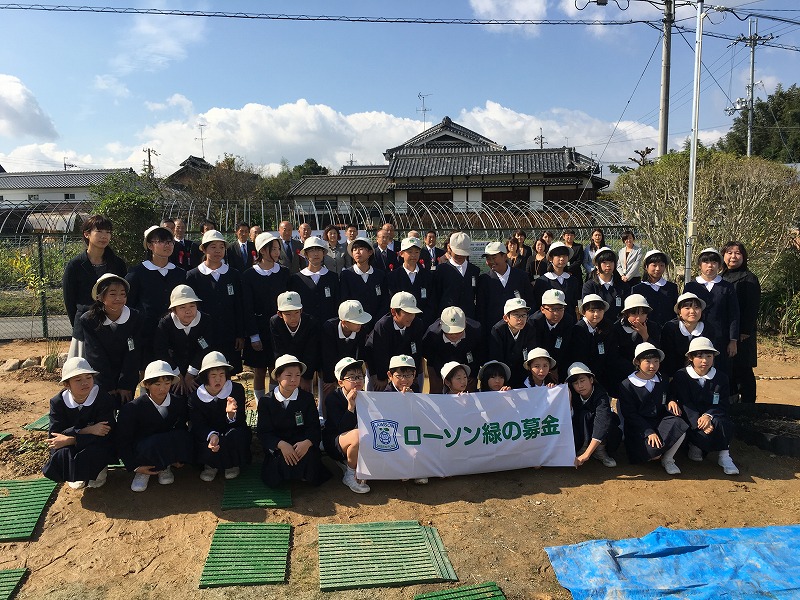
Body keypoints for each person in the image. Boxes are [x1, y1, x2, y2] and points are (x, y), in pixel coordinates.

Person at [116, 360, 193, 492]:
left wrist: (178, 456)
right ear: (146, 384)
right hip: (143, 451)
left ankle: (165, 465)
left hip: (166, 447)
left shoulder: (179, 403)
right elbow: (123, 439)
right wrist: (134, 466)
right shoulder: (132, 409)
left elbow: (181, 428)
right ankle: (143, 471)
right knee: (150, 442)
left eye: (167, 383)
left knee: (180, 435)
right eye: (157, 384)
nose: (163, 388)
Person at [257, 354, 330, 488]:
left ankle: (303, 475)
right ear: (278, 377)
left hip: (301, 444)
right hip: (279, 447)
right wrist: (281, 445)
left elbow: (314, 427)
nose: (293, 379)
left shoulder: (307, 399)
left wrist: (307, 443)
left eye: (297, 375)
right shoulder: (266, 401)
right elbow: (263, 432)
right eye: (289, 375)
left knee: (310, 458)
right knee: (280, 461)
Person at [43, 357, 116, 489]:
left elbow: (104, 431)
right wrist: (87, 430)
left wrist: (71, 438)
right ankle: (75, 474)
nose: (85, 383)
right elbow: (55, 435)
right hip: (78, 442)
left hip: (96, 443)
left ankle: (99, 469)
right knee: (61, 450)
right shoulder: (58, 402)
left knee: (99, 446)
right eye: (78, 380)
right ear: (66, 384)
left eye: (88, 378)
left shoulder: (103, 398)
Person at [670, 337, 739, 475]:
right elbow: (685, 402)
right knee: (697, 436)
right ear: (690, 357)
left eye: (709, 356)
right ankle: (694, 445)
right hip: (691, 418)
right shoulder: (681, 376)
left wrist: (708, 416)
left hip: (711, 417)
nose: (705, 361)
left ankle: (724, 457)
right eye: (699, 356)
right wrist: (698, 421)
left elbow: (722, 402)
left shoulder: (721, 378)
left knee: (723, 423)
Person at [617, 343, 688, 476]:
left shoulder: (663, 379)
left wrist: (671, 400)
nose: (652, 366)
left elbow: (670, 393)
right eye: (648, 361)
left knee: (679, 424)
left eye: (656, 361)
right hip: (639, 428)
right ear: (637, 362)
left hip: (659, 421)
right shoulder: (627, 384)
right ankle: (657, 453)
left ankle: (668, 459)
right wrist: (648, 432)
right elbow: (630, 414)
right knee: (652, 454)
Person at [74, 273, 142, 407]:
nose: (119, 298)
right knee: (105, 412)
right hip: (102, 378)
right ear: (100, 297)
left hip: (127, 374)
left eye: (123, 294)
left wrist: (125, 384)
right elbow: (95, 354)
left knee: (126, 411)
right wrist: (108, 386)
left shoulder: (135, 317)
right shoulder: (89, 320)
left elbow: (133, 352)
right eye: (112, 294)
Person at [63, 215, 127, 356]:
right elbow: (69, 299)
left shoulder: (118, 264)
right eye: (99, 231)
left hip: (113, 324)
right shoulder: (75, 265)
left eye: (108, 232)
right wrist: (80, 323)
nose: (104, 236)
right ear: (87, 234)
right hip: (85, 325)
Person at [185, 230, 245, 374]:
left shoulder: (233, 274)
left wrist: (240, 334)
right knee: (203, 373)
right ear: (204, 249)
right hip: (202, 335)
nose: (218, 250)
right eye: (213, 246)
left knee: (226, 373)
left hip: (228, 335)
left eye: (221, 247)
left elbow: (239, 305)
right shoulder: (192, 276)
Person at [126, 225, 185, 367]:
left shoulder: (180, 273)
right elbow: (129, 304)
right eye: (162, 241)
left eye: (170, 242)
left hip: (174, 332)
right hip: (146, 333)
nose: (167, 245)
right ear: (150, 245)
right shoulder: (136, 273)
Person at [241, 232, 291, 400]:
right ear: (262, 251)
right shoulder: (249, 275)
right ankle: (260, 404)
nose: (277, 252)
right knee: (260, 370)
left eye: (278, 248)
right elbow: (246, 307)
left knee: (276, 368)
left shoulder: (284, 272)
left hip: (279, 328)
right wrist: (253, 335)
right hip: (259, 327)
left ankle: (273, 402)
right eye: (273, 249)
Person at [188, 351, 251, 482]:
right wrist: (211, 435)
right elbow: (197, 425)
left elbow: (240, 421)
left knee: (236, 434)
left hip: (229, 430)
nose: (218, 379)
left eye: (222, 374)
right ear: (205, 377)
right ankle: (210, 465)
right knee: (200, 438)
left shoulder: (237, 390)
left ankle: (232, 464)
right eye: (213, 375)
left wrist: (231, 415)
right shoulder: (195, 398)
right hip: (209, 434)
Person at [683, 247, 740, 377]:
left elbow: (734, 315)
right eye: (706, 262)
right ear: (699, 265)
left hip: (721, 337)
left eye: (714, 262)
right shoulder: (691, 286)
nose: (710, 265)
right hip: (696, 335)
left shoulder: (727, 287)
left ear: (719, 265)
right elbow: (684, 312)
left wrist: (733, 340)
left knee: (720, 371)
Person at [153, 284, 217, 398]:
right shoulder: (165, 323)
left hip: (199, 367)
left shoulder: (205, 320)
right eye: (182, 307)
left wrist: (190, 374)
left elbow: (206, 348)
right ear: (174, 310)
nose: (188, 311)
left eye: (192, 306)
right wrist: (177, 374)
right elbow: (161, 350)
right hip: (173, 368)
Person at [323, 357, 370, 493]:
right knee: (356, 435)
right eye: (352, 377)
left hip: (359, 442)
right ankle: (349, 474)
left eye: (360, 376)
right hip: (335, 442)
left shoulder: (367, 397)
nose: (357, 381)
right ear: (341, 382)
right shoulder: (333, 398)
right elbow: (341, 428)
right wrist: (350, 407)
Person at [721, 241, 761, 403]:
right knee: (727, 368)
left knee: (743, 369)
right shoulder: (720, 277)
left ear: (743, 257)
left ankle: (748, 405)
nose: (733, 257)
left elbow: (752, 307)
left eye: (737, 253)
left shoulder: (749, 278)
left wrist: (744, 331)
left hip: (742, 334)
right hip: (724, 332)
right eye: (729, 253)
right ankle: (731, 403)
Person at [364, 292, 425, 391]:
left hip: (404, 368)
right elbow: (380, 354)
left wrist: (414, 375)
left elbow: (416, 352)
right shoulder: (382, 325)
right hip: (379, 368)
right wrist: (381, 377)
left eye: (413, 313)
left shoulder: (417, 324)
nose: (411, 317)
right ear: (393, 312)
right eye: (407, 313)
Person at [566, 362, 621, 468]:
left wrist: (587, 454)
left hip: (600, 431)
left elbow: (602, 422)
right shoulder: (573, 394)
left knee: (610, 425)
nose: (580, 386)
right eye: (575, 383)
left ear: (591, 380)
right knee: (583, 415)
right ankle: (582, 446)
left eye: (582, 381)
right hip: (581, 430)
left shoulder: (601, 396)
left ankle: (599, 450)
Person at [422, 306, 483, 394]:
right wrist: (443, 377)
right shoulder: (432, 334)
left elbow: (478, 354)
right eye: (449, 332)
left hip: (467, 363)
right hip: (439, 363)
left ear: (465, 324)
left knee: (469, 387)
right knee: (437, 390)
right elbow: (429, 356)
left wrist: (472, 374)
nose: (454, 335)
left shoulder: (475, 331)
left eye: (458, 332)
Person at [568, 294, 619, 396]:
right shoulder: (578, 329)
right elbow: (579, 356)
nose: (596, 314)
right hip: (583, 374)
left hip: (602, 373)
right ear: (584, 312)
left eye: (599, 310)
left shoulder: (607, 326)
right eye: (592, 311)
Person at [476, 241, 533, 334]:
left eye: (494, 258)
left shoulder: (521, 277)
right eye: (488, 258)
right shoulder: (484, 279)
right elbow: (481, 309)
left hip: (519, 331)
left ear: (505, 256)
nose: (490, 262)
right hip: (493, 332)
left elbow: (530, 302)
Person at [269, 292, 320, 393]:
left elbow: (311, 352)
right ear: (279, 314)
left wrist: (305, 377)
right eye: (288, 314)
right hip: (285, 362)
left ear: (301, 310)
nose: (293, 317)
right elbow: (278, 350)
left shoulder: (311, 323)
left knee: (305, 391)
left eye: (296, 312)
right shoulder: (275, 322)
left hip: (305, 364)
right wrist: (286, 373)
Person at [321, 300, 372, 398]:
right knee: (328, 391)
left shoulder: (362, 330)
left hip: (351, 370)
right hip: (330, 370)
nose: (360, 325)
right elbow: (327, 356)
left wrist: (355, 377)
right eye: (356, 322)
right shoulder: (329, 328)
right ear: (344, 322)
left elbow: (360, 354)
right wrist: (330, 380)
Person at [339, 236, 390, 333]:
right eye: (354, 249)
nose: (357, 252)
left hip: (377, 324)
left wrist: (378, 321)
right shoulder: (346, 275)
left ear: (370, 252)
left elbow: (384, 301)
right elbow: (344, 299)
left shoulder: (379, 275)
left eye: (361, 249)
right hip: (355, 324)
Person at [660, 292, 713, 379]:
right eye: (687, 308)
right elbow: (668, 356)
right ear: (679, 312)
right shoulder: (670, 328)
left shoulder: (708, 328)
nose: (692, 311)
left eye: (696, 308)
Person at [488, 298, 539, 389]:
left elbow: (531, 354)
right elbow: (497, 357)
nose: (521, 319)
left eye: (524, 315)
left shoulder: (529, 329)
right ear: (506, 318)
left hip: (522, 373)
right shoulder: (497, 330)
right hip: (503, 375)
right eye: (516, 315)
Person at [388, 236, 437, 328]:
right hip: (400, 325)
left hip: (424, 325)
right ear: (401, 254)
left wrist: (423, 321)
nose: (413, 255)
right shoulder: (393, 277)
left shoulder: (428, 276)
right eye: (409, 252)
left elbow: (432, 301)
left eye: (417, 252)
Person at [528, 289, 575, 382]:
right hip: (538, 365)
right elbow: (534, 348)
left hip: (558, 363)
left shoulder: (568, 321)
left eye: (560, 309)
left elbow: (566, 348)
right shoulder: (533, 322)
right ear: (542, 309)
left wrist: (555, 368)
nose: (556, 313)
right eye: (553, 309)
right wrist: (546, 369)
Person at [290, 236, 339, 324]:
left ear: (323, 253)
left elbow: (337, 303)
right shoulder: (297, 278)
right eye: (312, 250)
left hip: (329, 327)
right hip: (305, 328)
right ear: (305, 254)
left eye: (319, 250)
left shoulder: (332, 277)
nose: (316, 254)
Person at [613, 294, 661, 380]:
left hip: (649, 371)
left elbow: (657, 352)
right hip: (623, 374)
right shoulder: (617, 328)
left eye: (643, 313)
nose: (638, 318)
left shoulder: (653, 327)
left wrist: (645, 336)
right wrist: (634, 369)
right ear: (626, 314)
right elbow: (615, 356)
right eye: (634, 313)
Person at [435, 232, 480, 320]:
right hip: (447, 318)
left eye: (463, 253)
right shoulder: (441, 270)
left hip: (469, 318)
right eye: (457, 252)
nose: (460, 256)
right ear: (449, 248)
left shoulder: (474, 270)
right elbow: (436, 296)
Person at [631, 249, 679, 329]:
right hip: (645, 330)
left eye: (661, 265)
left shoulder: (672, 288)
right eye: (654, 265)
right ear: (646, 267)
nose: (658, 269)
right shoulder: (637, 289)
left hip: (668, 331)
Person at [532, 241, 581, 318]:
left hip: (569, 322)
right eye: (558, 256)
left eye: (565, 256)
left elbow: (574, 303)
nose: (562, 259)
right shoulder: (542, 281)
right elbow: (538, 304)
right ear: (551, 258)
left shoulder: (572, 280)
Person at [582, 246, 628, 322]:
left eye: (611, 262)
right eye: (604, 262)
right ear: (597, 265)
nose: (608, 265)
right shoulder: (589, 286)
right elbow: (589, 310)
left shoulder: (622, 285)